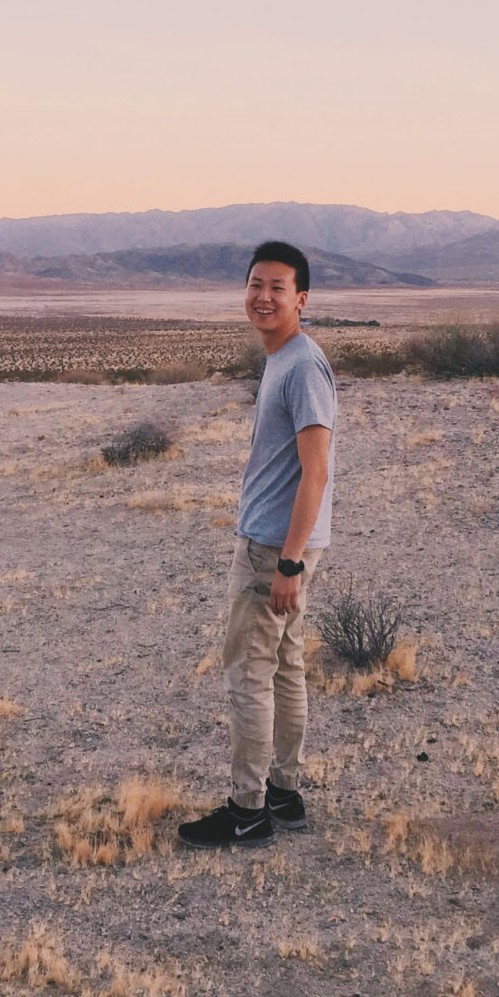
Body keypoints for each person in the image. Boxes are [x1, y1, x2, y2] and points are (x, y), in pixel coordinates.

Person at [179, 241, 336, 848]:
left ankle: (247, 810)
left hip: (275, 548)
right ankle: (284, 794)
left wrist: (290, 561)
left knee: (249, 672)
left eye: (278, 287)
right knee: (286, 666)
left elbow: (315, 470)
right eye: (255, 285)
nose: (263, 297)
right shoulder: (283, 358)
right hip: (284, 544)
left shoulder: (302, 366)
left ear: (301, 299)